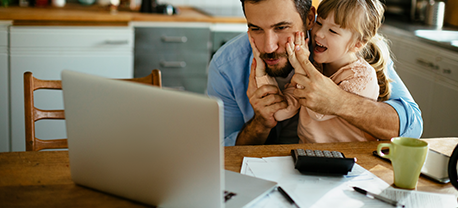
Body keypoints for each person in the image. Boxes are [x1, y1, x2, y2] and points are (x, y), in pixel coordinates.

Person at [207, 0, 423, 146]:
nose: (269, 46)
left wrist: (339, 101)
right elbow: (222, 151)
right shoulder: (227, 66)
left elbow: (411, 127)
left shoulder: (345, 49)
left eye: (281, 28)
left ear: (310, 18)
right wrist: (261, 122)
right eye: (256, 28)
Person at [251, 0, 391, 143]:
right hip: (309, 155)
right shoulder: (316, 67)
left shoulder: (362, 77)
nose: (319, 34)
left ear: (357, 44)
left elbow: (318, 112)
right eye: (320, 23)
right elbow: (281, 113)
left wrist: (300, 67)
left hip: (349, 158)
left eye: (333, 31)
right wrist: (261, 73)